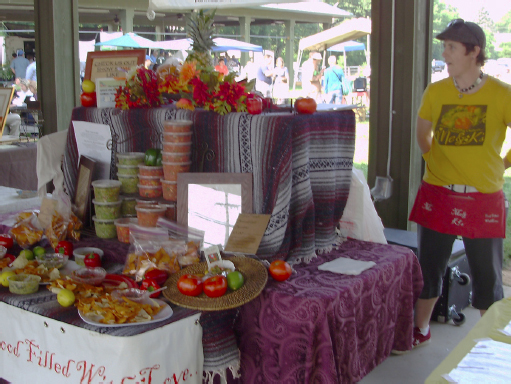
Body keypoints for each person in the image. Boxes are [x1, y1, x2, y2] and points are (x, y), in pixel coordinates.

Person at [392, 20, 511, 354]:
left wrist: (501, 164)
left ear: (474, 52)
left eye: (451, 48)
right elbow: (423, 132)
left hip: (483, 198)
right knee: (429, 266)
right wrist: (434, 161)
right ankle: (421, 329)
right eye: (443, 46)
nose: (444, 53)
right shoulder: (437, 91)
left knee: (487, 278)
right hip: (438, 193)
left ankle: (492, 343)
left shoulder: (502, 94)